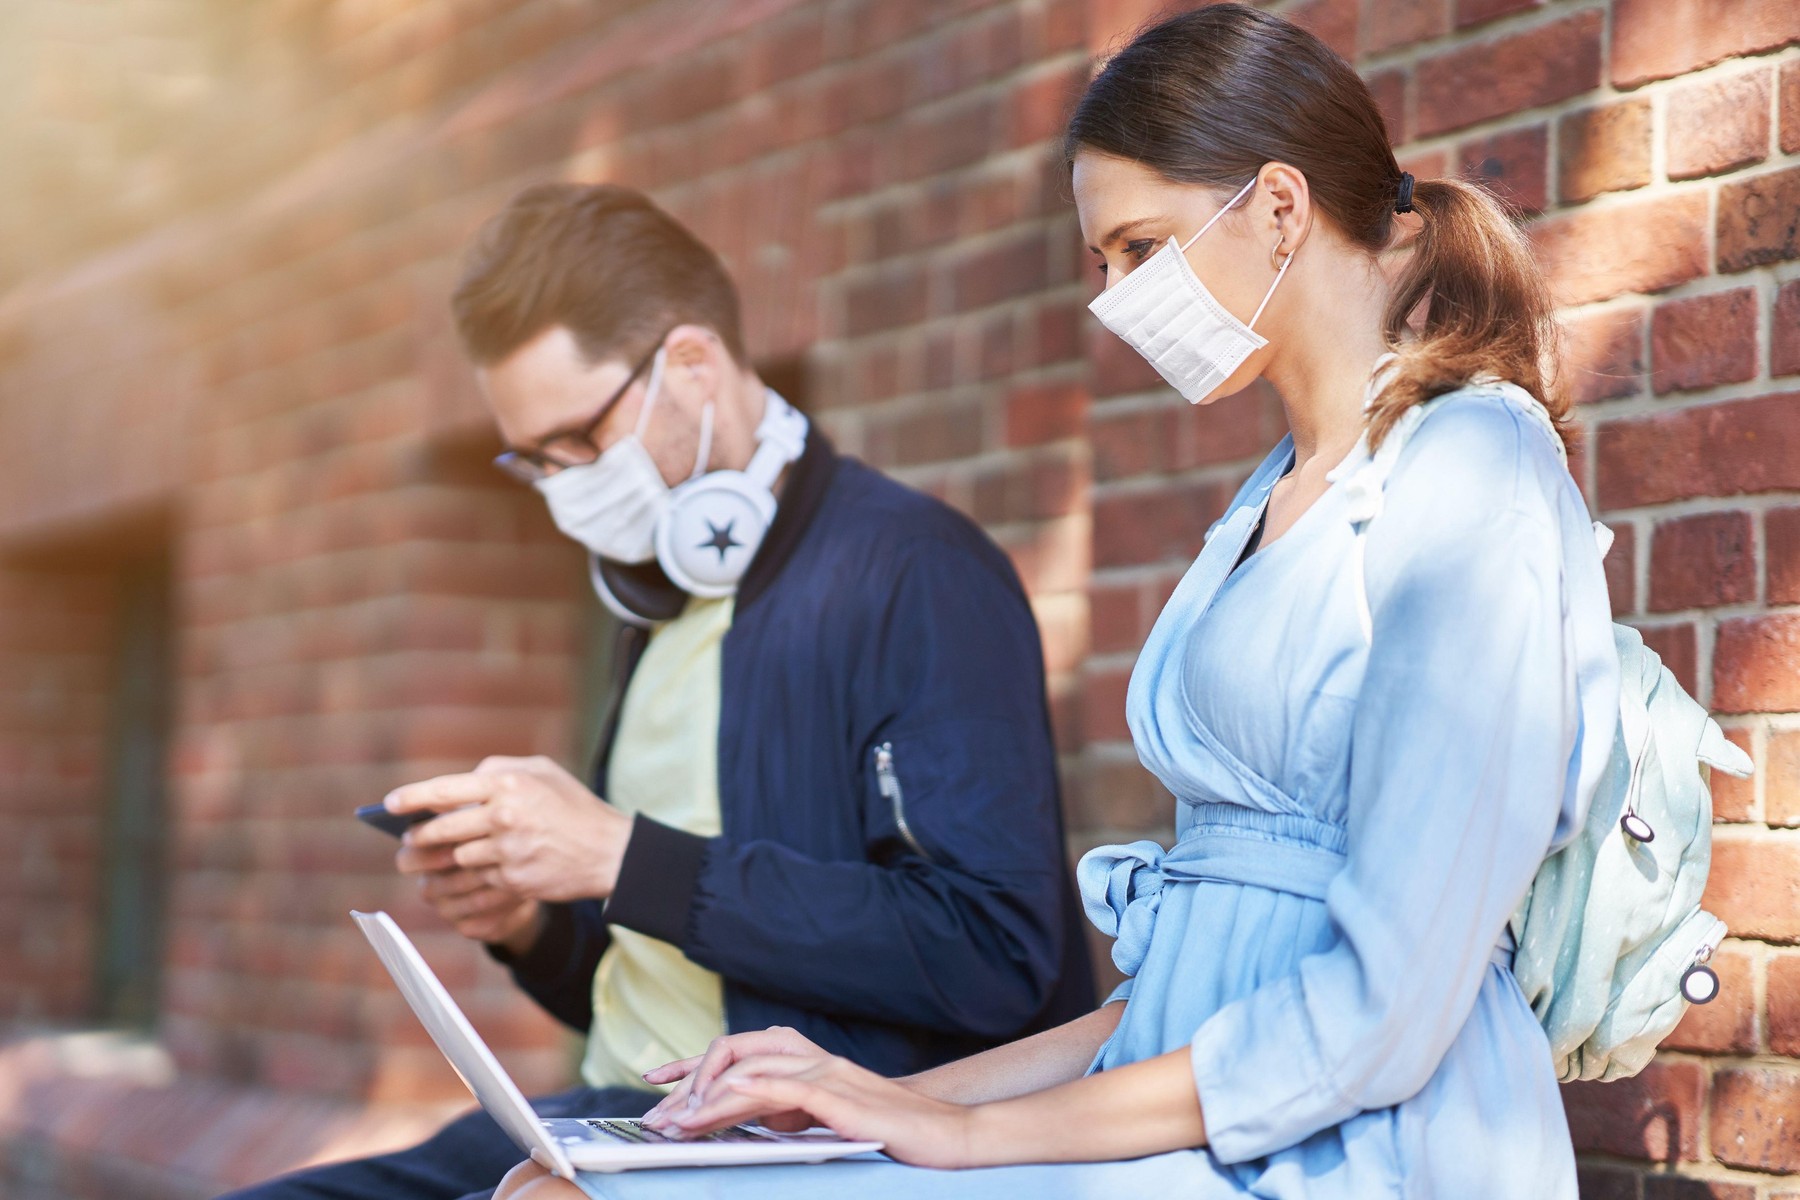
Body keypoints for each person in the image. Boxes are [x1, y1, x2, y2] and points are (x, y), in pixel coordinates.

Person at [484, 5, 1622, 1198]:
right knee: (560, 1184)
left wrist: (968, 1138)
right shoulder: (1274, 493)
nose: (1116, 297)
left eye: (1141, 247)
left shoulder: (1473, 470)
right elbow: (1175, 997)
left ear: (1282, 207)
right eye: (1102, 262)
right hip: (1193, 1116)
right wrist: (874, 1101)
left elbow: (1379, 1013)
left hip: (1347, 1146)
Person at [223, 184, 1092, 1200]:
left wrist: (619, 855)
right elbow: (656, 991)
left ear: (691, 364)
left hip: (802, 1150)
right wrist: (528, 924)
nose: (564, 482)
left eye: (581, 441)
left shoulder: (915, 572)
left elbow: (993, 953)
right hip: (618, 1123)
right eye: (535, 460)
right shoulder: (659, 601)